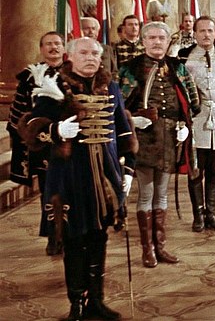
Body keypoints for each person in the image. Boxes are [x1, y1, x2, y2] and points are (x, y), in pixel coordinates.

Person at [20, 37, 135, 321]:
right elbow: (32, 127)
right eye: (84, 52)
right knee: (74, 239)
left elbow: (123, 130)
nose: (91, 57)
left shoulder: (110, 87)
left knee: (99, 236)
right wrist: (57, 131)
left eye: (95, 53)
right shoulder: (55, 86)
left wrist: (128, 169)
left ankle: (96, 300)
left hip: (105, 176)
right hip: (70, 177)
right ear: (70, 57)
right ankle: (77, 304)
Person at [119, 22, 200, 267]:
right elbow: (118, 107)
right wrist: (133, 120)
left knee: (161, 193)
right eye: (152, 38)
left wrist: (184, 124)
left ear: (168, 42)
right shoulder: (130, 69)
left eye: (161, 38)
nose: (157, 42)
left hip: (169, 139)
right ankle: (148, 249)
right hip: (143, 140)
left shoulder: (178, 68)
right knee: (146, 193)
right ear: (143, 41)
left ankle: (161, 246)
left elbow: (191, 101)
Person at [7, 32, 66, 256]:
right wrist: (29, 135)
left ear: (64, 48)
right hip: (44, 146)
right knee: (49, 191)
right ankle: (53, 235)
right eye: (48, 44)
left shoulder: (73, 73)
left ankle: (70, 234)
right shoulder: (30, 77)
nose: (53, 47)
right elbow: (18, 115)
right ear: (41, 49)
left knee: (71, 190)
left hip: (71, 142)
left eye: (57, 43)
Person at [179, 16, 215, 232]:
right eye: (201, 31)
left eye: (210, 31)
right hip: (196, 123)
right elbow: (180, 93)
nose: (206, 35)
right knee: (196, 170)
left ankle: (211, 213)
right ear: (194, 34)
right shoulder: (185, 57)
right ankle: (198, 215)